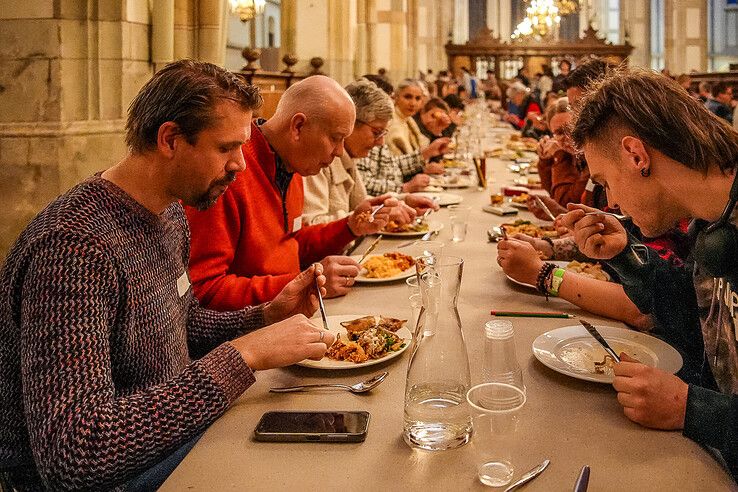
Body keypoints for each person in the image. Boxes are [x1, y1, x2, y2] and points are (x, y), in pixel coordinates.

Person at [0, 60, 337, 491]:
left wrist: (266, 316)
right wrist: (242, 356)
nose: (241, 166)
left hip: (166, 438)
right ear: (170, 139)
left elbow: (181, 324)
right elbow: (76, 455)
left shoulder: (170, 213)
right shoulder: (73, 248)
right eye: (225, 149)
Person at [561, 66, 738, 479]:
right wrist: (626, 257)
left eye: (605, 182)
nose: (613, 200)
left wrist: (694, 409)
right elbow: (698, 325)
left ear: (636, 155)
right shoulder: (710, 223)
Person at [185, 76, 398, 310]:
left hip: (288, 312)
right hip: (250, 328)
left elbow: (291, 244)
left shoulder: (291, 165)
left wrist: (349, 227)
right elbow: (204, 289)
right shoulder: (229, 173)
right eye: (335, 138)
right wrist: (302, 284)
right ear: (297, 127)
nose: (339, 152)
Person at [302, 78, 439, 225]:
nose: (380, 142)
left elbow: (360, 203)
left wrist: (403, 201)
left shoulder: (349, 156)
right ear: (350, 123)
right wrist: (375, 214)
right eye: (376, 132)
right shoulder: (318, 158)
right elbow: (311, 225)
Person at [386, 79, 430, 155]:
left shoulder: (408, 119)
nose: (413, 103)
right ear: (396, 97)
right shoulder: (391, 121)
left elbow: (423, 147)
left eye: (417, 98)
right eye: (408, 97)